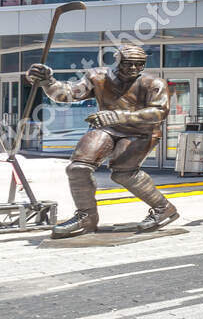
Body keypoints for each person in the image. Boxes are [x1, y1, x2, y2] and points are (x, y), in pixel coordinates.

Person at [24, 44, 178, 237]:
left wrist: (117, 116)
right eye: (128, 64)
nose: (133, 69)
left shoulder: (154, 83)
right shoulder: (97, 76)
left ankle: (164, 208)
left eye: (139, 65)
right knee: (77, 168)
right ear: (118, 61)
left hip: (141, 132)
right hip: (106, 127)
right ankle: (86, 217)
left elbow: (158, 113)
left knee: (123, 173)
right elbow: (69, 94)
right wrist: (48, 81)